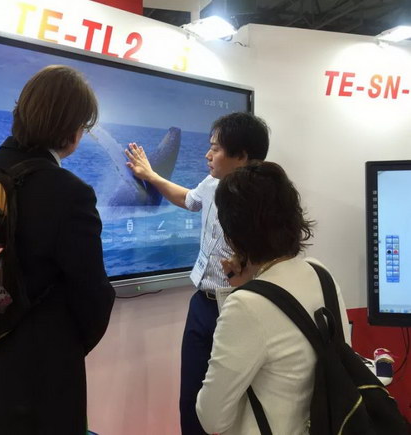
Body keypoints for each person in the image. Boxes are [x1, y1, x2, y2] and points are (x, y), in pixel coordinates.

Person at [0, 65, 116, 434]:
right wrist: (65, 349)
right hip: (34, 381)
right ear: (72, 130)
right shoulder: (69, 192)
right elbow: (93, 295)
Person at [124, 112, 270, 435]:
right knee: (191, 399)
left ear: (242, 156)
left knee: (236, 402)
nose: (207, 155)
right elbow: (188, 199)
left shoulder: (265, 201)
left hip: (237, 308)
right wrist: (150, 175)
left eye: (215, 149)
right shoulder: (212, 183)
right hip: (202, 303)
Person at [195, 161, 351, 434]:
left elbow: (212, 418)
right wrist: (251, 282)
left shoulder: (245, 305)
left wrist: (247, 289)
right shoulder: (320, 274)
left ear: (232, 236)